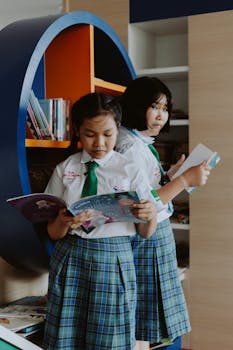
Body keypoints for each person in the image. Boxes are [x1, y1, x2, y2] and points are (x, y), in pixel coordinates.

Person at [42, 92, 159, 350]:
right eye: (90, 134)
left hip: (114, 258)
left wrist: (149, 216)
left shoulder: (130, 168)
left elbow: (146, 233)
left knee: (110, 339)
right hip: (71, 257)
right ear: (77, 131)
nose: (99, 143)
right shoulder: (65, 169)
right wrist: (63, 222)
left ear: (117, 129)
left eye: (107, 134)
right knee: (65, 335)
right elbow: (53, 233)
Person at [115, 76, 210, 349]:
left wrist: (170, 176)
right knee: (143, 321)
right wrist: (183, 181)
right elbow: (146, 205)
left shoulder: (138, 141)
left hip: (153, 234)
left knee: (145, 322)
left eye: (165, 108)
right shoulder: (131, 147)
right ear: (136, 106)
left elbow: (147, 190)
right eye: (154, 107)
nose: (161, 115)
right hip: (148, 236)